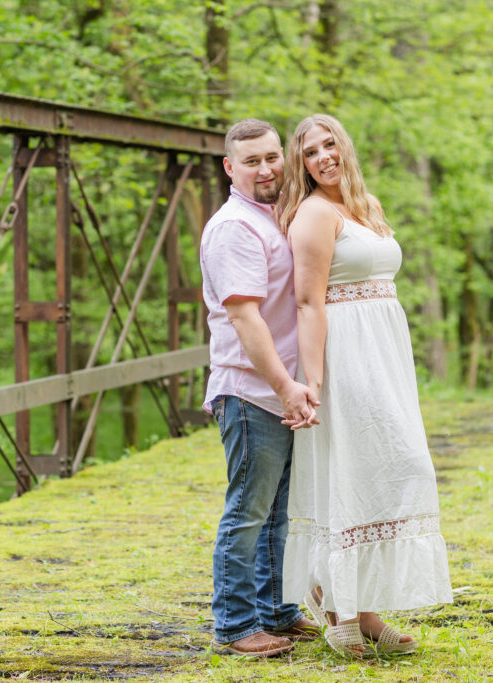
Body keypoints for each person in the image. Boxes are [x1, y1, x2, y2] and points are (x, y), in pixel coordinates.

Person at [277, 114, 453, 657]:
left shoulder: (366, 205)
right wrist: (313, 381)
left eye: (330, 144)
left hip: (384, 354)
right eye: (310, 152)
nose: (323, 156)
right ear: (302, 164)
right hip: (344, 356)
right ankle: (338, 611)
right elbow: (308, 302)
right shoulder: (312, 214)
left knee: (391, 467)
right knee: (349, 469)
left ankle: (364, 607)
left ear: (344, 146)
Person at [200, 118, 322, 658]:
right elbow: (246, 319)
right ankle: (235, 625)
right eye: (252, 161)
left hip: (281, 390)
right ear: (230, 167)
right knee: (248, 511)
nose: (266, 168)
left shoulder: (276, 217)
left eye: (273, 157)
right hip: (252, 392)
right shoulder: (235, 229)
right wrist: (286, 386)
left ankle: (277, 611)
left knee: (276, 511)